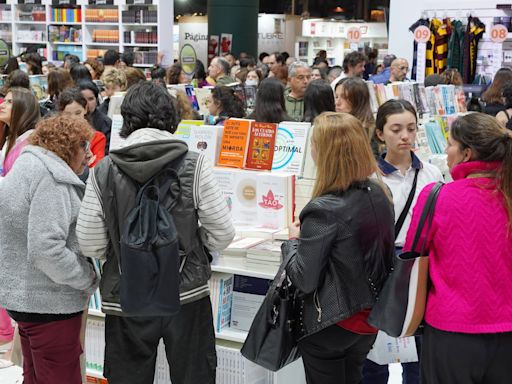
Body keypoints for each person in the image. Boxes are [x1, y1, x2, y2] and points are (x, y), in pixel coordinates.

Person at [76, 81, 235, 384]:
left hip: (125, 294)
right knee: (194, 376)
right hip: (185, 290)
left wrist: (122, 250)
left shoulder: (104, 169)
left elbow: (89, 241)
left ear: (128, 118)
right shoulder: (194, 163)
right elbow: (223, 231)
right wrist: (195, 247)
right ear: (170, 117)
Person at [283, 111, 395, 384]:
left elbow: (304, 279)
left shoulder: (324, 209)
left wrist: (292, 243)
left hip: (331, 323)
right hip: (369, 320)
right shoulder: (380, 193)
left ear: (323, 152)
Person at [402, 112, 512, 383]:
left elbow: (412, 253)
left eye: (450, 144)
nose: (446, 151)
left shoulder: (438, 197)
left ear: (466, 153)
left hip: (451, 332)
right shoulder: (507, 196)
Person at [0, 114, 97, 384]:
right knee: (58, 375)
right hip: (51, 302)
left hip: (26, 299)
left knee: (34, 374)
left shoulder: (26, 166)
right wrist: (86, 278)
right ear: (67, 146)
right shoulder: (52, 178)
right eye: (83, 146)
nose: (88, 155)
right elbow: (46, 249)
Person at [362, 100, 443, 384]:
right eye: (396, 129)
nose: (405, 136)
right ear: (381, 133)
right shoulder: (370, 176)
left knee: (418, 353)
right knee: (374, 352)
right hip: (380, 269)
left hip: (420, 270)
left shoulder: (431, 174)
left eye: (411, 128)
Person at [58, 88, 106, 167]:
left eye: (78, 113)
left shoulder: (98, 138)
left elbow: (98, 168)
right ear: (61, 113)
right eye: (68, 114)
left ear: (85, 109)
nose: (73, 118)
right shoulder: (54, 138)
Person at [334, 77, 377, 154]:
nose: (337, 102)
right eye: (336, 97)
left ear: (358, 100)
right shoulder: (337, 126)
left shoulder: (367, 131)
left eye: (344, 97)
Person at [78, 80, 112, 153]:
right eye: (83, 99)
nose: (87, 103)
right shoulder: (72, 120)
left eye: (91, 99)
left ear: (96, 100)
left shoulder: (105, 123)